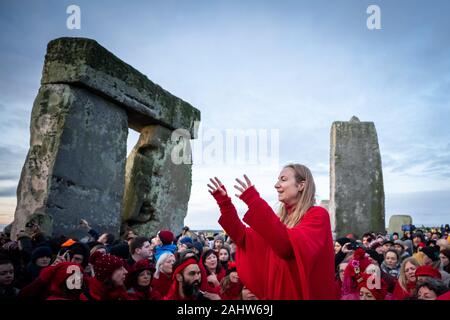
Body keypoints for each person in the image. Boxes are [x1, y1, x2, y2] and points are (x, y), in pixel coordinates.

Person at [207, 163, 337, 300]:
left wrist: (253, 199)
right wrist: (225, 204)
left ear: (301, 185)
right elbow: (243, 237)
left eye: (283, 179)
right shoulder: (280, 221)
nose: (276, 185)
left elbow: (286, 246)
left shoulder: (317, 215)